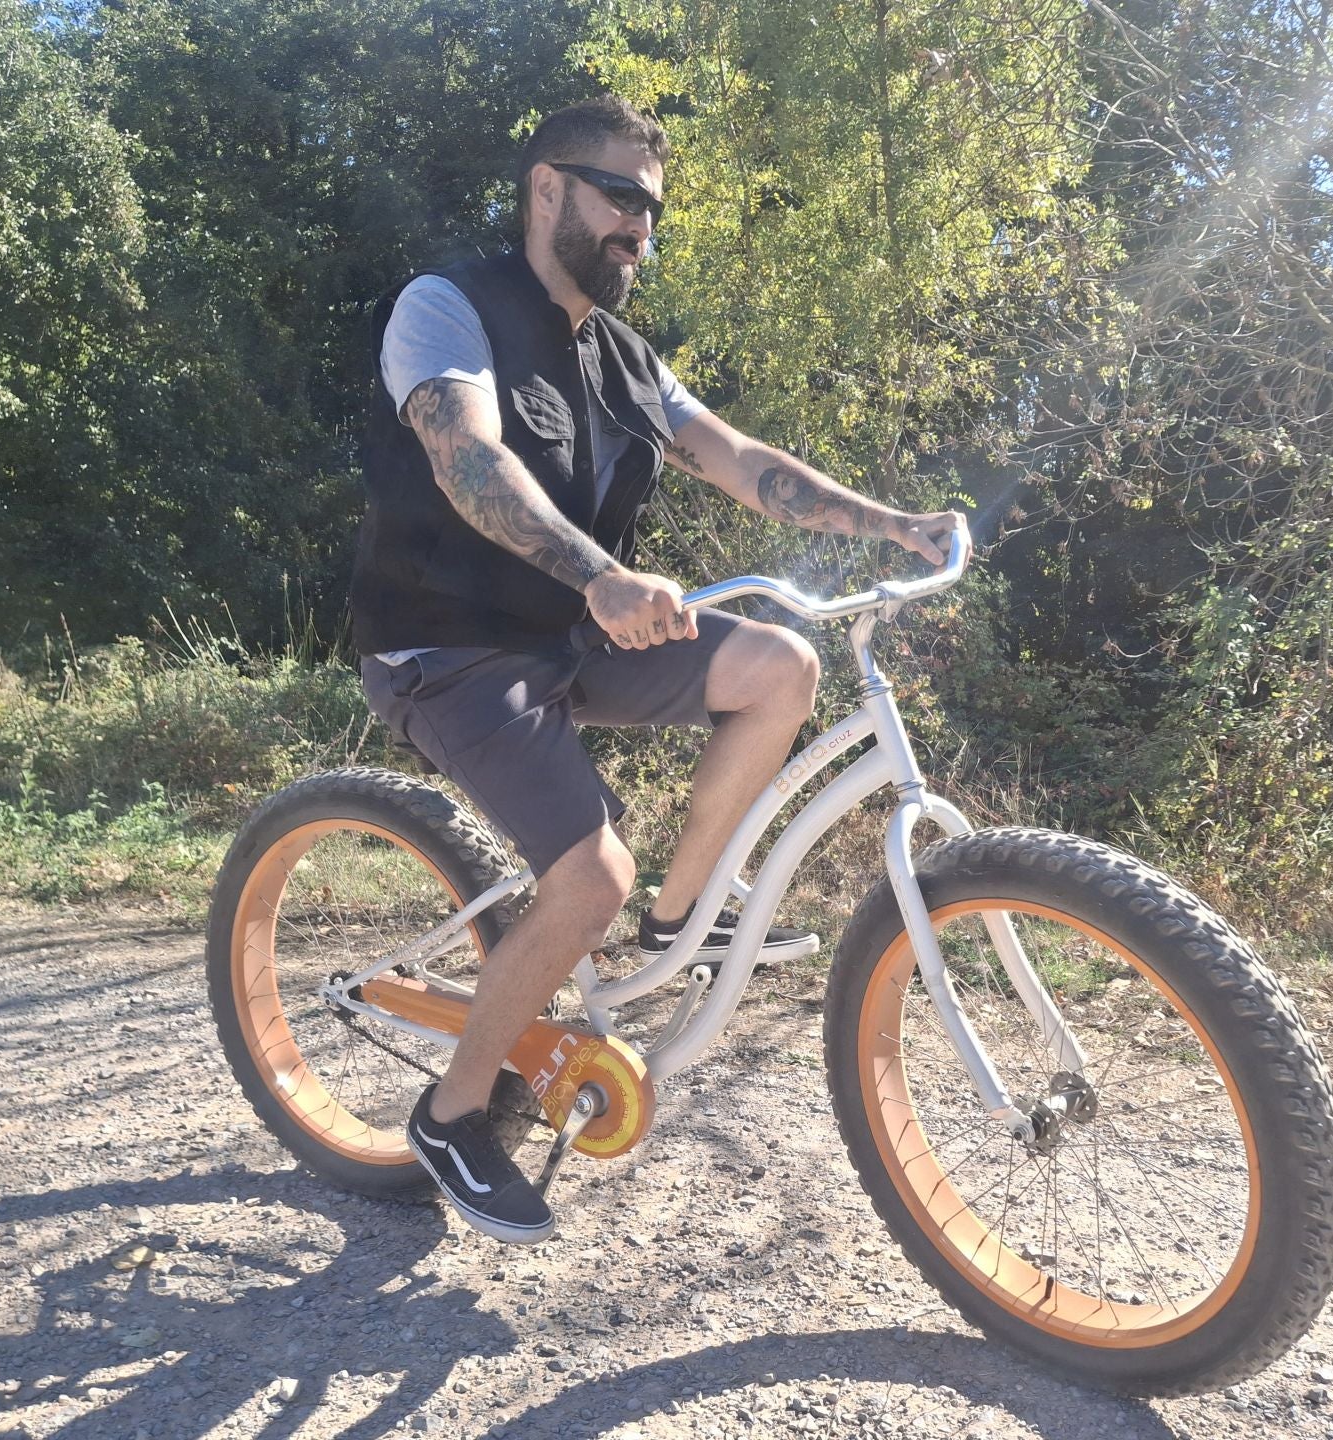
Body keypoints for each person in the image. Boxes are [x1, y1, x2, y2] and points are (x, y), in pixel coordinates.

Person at [350, 96, 962, 1244]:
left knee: (779, 664)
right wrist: (599, 576)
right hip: (448, 646)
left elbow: (741, 460)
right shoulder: (449, 308)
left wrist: (892, 526)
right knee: (588, 879)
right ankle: (454, 1112)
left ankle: (685, 922)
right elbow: (468, 460)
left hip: (574, 635)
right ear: (547, 190)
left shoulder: (626, 357)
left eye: (653, 209)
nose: (643, 227)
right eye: (621, 198)